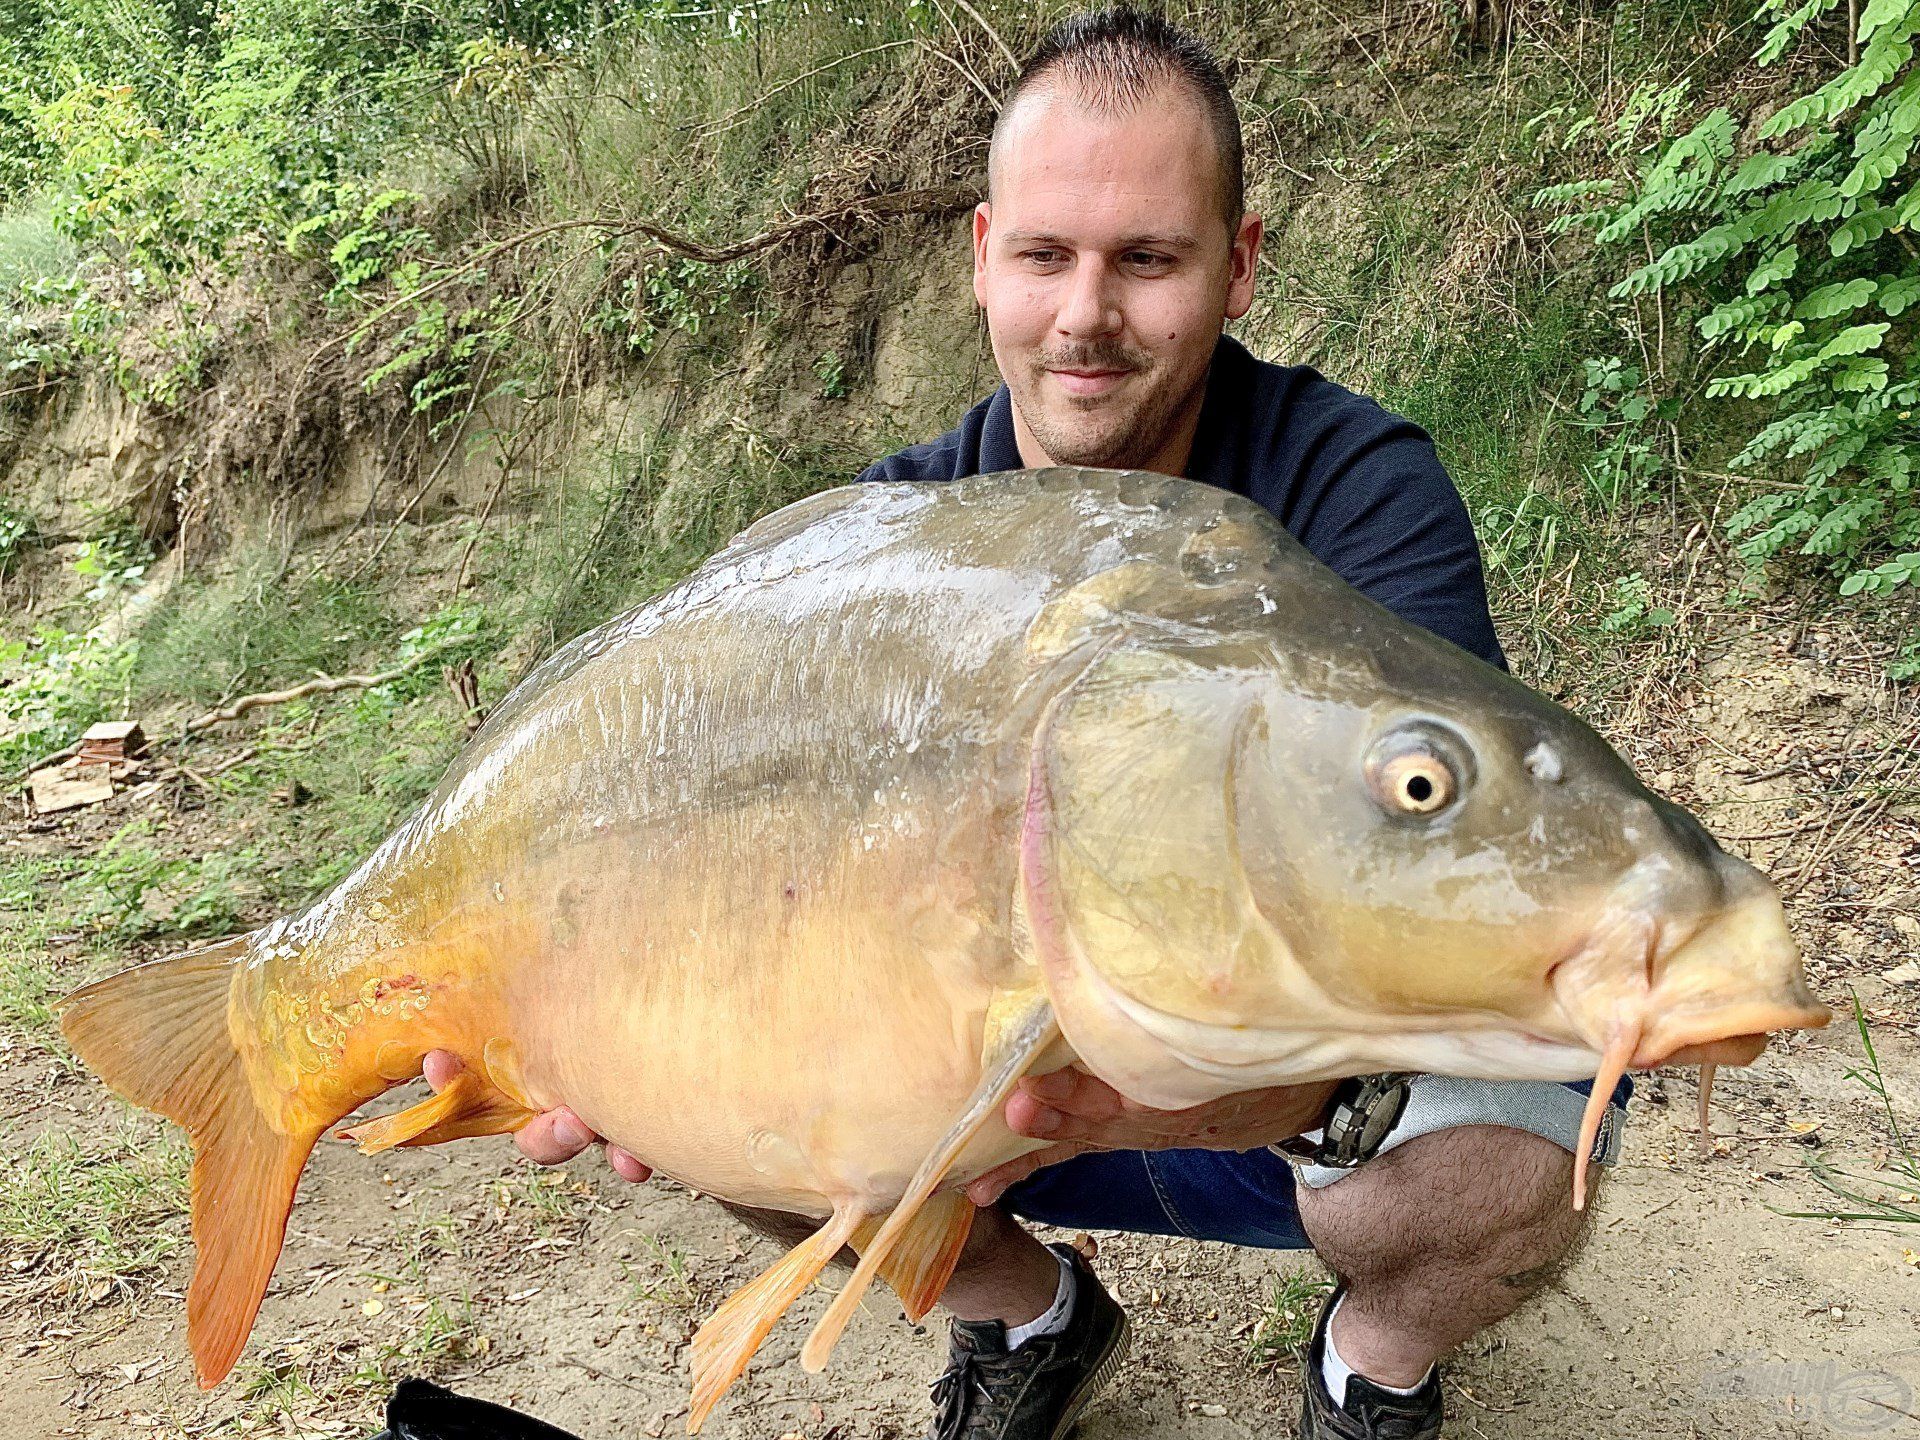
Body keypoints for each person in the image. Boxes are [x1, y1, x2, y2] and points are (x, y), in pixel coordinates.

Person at [425, 10, 1632, 1438]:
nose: (1084, 318)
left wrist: (1231, 1091)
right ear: (983, 254)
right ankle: (1029, 1321)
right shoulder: (894, 546)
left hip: (1299, 1112)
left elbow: (1452, 889)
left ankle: (1375, 1363)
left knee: (1523, 1154)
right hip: (1000, 1100)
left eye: (1148, 259)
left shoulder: (1356, 492)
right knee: (711, 1061)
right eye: (1047, 256)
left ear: (1237, 267)